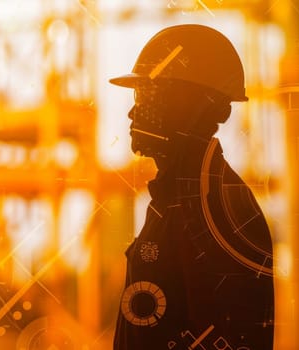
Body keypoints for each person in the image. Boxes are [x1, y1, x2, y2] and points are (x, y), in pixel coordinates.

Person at [108, 24, 274, 349]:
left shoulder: (217, 207)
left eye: (147, 96)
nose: (131, 111)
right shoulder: (178, 200)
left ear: (187, 105)